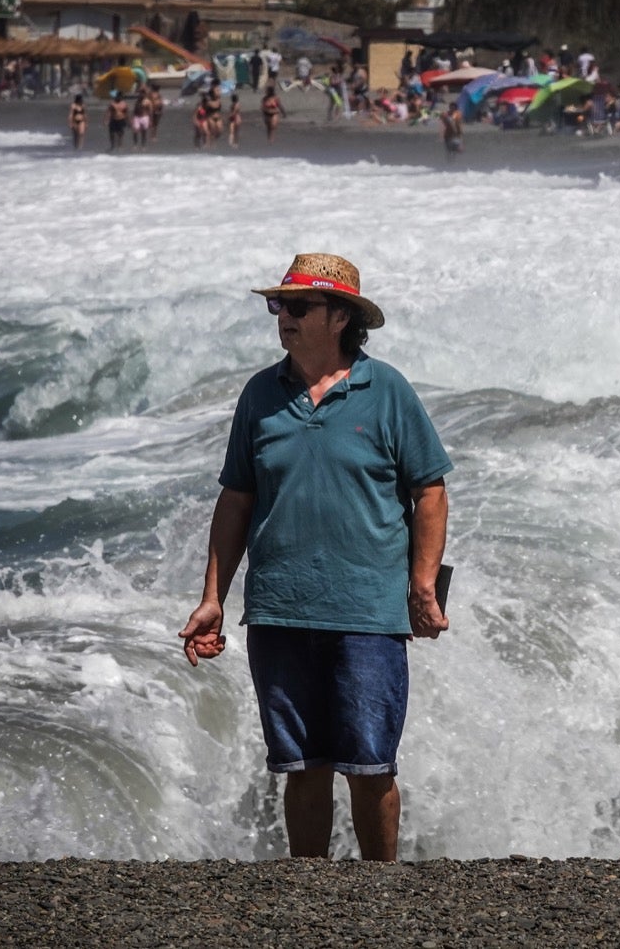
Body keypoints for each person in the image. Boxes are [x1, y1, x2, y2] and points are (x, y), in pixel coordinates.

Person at [180, 254, 451, 862]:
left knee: (371, 766)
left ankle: (382, 891)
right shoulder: (260, 395)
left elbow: (429, 489)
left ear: (340, 317)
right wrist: (212, 600)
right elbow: (236, 500)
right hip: (279, 609)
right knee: (302, 767)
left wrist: (424, 585)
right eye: (278, 305)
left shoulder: (388, 391)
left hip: (367, 611)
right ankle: (311, 892)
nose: (284, 317)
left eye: (299, 306)